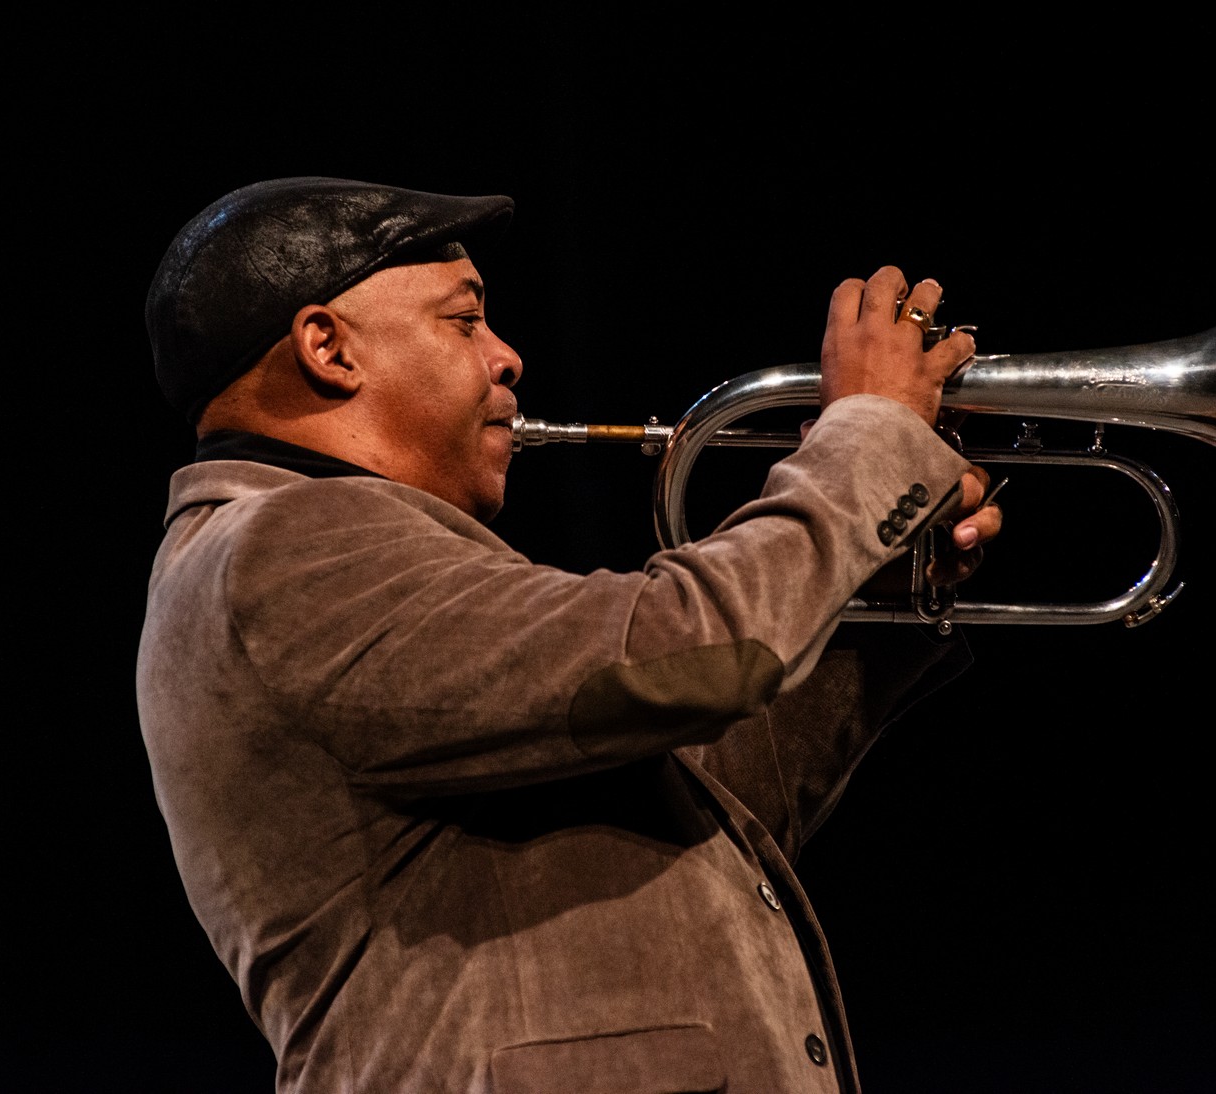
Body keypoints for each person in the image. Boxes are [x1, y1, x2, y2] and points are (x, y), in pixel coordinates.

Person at [137, 176, 1001, 1094]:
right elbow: (690, 653)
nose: (507, 357)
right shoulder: (285, 544)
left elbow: (704, 804)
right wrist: (868, 437)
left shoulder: (301, 556)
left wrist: (870, 578)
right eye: (464, 322)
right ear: (328, 348)